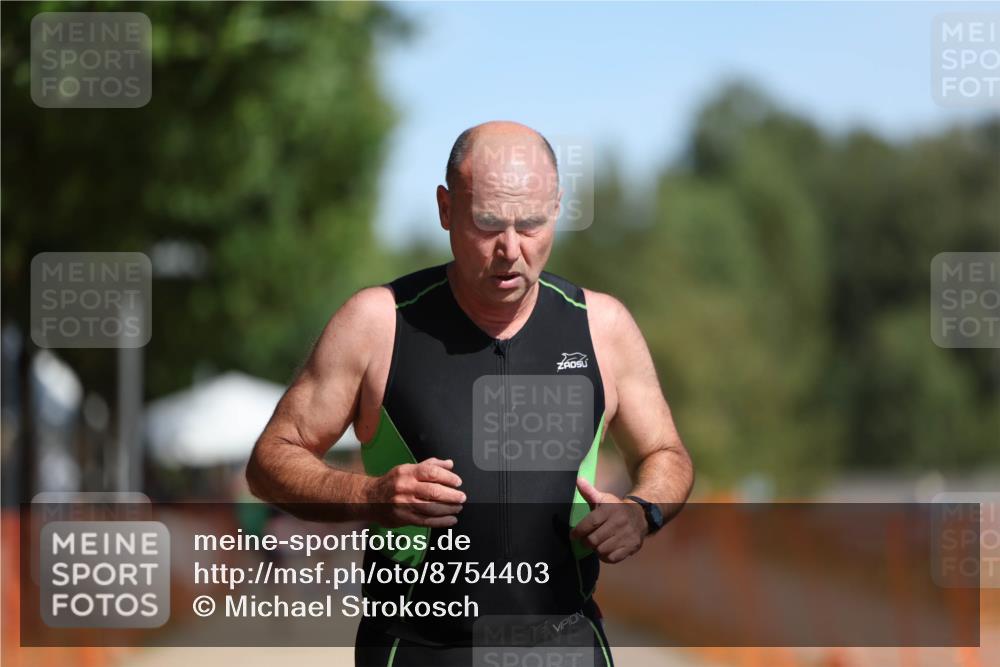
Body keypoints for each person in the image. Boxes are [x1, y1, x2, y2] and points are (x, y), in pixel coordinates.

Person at [246, 120, 694, 666]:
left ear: (557, 209)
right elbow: (270, 461)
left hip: (565, 642)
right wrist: (370, 496)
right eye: (487, 224)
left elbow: (665, 454)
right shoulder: (377, 322)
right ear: (445, 210)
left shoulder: (602, 326)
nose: (510, 250)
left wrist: (642, 511)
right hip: (418, 650)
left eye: (530, 224)